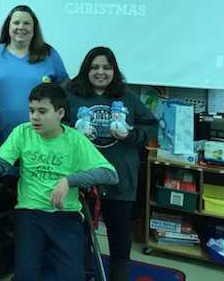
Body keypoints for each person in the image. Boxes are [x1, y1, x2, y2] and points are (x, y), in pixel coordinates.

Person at [0, 83, 118, 281]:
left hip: (66, 215)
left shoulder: (75, 140)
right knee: (26, 276)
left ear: (60, 113)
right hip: (29, 213)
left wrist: (69, 180)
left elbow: (110, 174)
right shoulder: (23, 132)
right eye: (31, 111)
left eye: (42, 111)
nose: (34, 117)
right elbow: (0, 162)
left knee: (72, 277)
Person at [0, 4, 68, 276]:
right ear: (9, 26)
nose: (21, 28)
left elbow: (64, 90)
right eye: (16, 23)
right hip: (1, 143)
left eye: (26, 23)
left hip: (43, 145)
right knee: (4, 208)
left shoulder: (48, 55)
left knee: (37, 206)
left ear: (34, 27)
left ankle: (36, 259)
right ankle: (7, 256)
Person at [66, 46, 158, 281]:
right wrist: (74, 134)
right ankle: (85, 272)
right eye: (95, 67)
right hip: (82, 175)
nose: (100, 72)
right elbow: (58, 124)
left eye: (106, 67)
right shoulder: (71, 93)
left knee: (119, 232)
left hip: (120, 177)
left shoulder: (126, 97)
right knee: (80, 231)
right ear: (86, 70)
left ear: (114, 71)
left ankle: (119, 276)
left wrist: (130, 134)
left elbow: (151, 125)